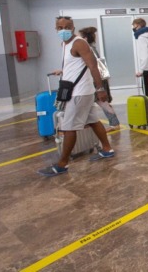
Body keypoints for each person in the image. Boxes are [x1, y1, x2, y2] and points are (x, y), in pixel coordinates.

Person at [37, 16, 115, 176]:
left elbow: (93, 65)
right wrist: (63, 71)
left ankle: (62, 164)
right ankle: (107, 148)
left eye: (67, 27)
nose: (63, 30)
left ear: (73, 28)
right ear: (56, 28)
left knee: (68, 127)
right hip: (79, 91)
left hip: (80, 93)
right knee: (93, 120)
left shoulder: (79, 43)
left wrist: (100, 88)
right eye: (60, 27)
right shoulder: (65, 44)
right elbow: (75, 65)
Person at [78, 27, 120, 131]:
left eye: (80, 37)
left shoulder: (88, 49)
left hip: (95, 80)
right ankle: (114, 123)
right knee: (102, 102)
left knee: (102, 102)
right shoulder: (92, 48)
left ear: (85, 38)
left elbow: (92, 66)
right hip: (99, 79)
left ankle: (114, 123)